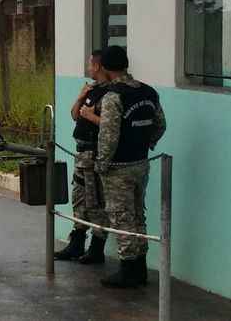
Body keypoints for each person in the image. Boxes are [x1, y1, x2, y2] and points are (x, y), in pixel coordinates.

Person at [95, 46, 166, 288]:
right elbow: (160, 124)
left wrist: (102, 163)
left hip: (118, 167)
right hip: (141, 163)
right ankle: (140, 268)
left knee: (120, 216)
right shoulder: (148, 91)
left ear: (104, 68)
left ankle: (128, 269)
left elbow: (109, 134)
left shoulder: (113, 96)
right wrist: (148, 143)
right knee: (137, 214)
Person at [54, 50, 110, 264]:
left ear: (98, 66)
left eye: (90, 64)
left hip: (95, 153)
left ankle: (97, 248)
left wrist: (91, 116)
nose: (88, 68)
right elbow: (75, 114)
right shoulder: (92, 90)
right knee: (80, 199)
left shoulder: (111, 94)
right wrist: (80, 97)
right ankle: (76, 242)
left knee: (96, 201)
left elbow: (111, 126)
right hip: (82, 152)